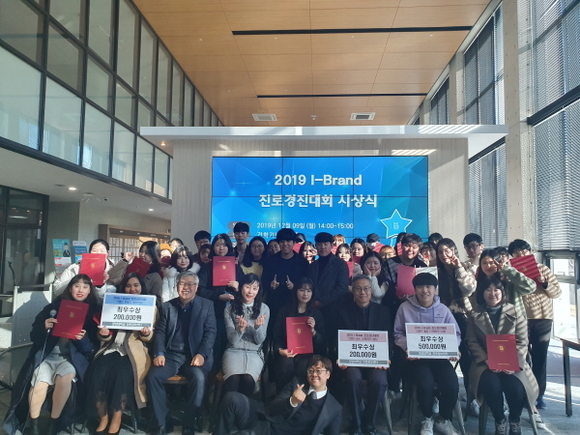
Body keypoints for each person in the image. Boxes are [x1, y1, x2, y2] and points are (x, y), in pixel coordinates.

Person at [4, 274, 99, 435]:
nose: (80, 290)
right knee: (38, 383)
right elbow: (34, 336)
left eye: (85, 287)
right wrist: (44, 327)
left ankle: (53, 424)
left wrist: (83, 340)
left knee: (65, 379)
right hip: (47, 356)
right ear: (70, 288)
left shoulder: (93, 314)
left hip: (69, 360)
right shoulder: (53, 307)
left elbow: (91, 350)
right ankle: (33, 424)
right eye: (77, 286)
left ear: (90, 290)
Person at [466, 276, 539, 435]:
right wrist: (486, 360)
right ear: (482, 292)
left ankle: (514, 420)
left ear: (502, 292)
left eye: (496, 289)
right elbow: (471, 341)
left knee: (516, 387)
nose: (492, 293)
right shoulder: (474, 314)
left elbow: (522, 341)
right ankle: (500, 420)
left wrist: (513, 362)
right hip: (485, 363)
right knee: (491, 386)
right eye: (488, 289)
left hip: (513, 362)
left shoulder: (515, 311)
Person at [146, 271, 216, 435]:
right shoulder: (167, 307)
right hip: (171, 355)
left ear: (196, 287)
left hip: (194, 355)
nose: (185, 287)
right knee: (152, 377)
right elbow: (160, 332)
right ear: (176, 286)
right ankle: (163, 422)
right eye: (182, 284)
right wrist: (159, 353)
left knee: (199, 379)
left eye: (190, 284)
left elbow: (210, 333)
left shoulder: (207, 305)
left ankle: (189, 424)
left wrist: (201, 354)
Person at [85, 273, 155, 435]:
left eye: (136, 285)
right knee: (97, 373)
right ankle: (103, 418)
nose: (132, 289)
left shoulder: (150, 306)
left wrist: (146, 333)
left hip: (132, 353)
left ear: (141, 287)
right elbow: (104, 334)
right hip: (111, 348)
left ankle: (116, 419)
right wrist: (103, 334)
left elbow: (151, 337)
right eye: (128, 286)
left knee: (122, 377)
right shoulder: (113, 304)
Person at [393, 273, 461, 435]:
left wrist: (453, 348)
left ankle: (443, 419)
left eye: (429, 287)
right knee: (425, 383)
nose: (425, 290)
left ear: (435, 290)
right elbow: (397, 333)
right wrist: (407, 347)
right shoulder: (404, 308)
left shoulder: (443, 309)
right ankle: (427, 418)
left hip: (439, 359)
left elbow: (455, 334)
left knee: (452, 384)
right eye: (420, 287)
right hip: (415, 359)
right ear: (415, 289)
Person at [215, 355, 342, 435]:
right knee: (232, 398)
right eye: (311, 371)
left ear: (328, 374)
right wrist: (292, 402)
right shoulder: (297, 383)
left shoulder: (334, 408)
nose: (314, 374)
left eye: (319, 371)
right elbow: (273, 407)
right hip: (267, 421)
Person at [333, 275, 392, 435]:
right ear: (352, 290)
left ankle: (369, 422)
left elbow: (389, 339)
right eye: (358, 289)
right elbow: (336, 338)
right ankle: (356, 422)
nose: (362, 292)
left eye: (366, 288)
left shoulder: (383, 311)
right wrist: (340, 357)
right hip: (352, 361)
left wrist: (386, 358)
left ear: (371, 290)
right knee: (352, 378)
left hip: (376, 360)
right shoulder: (342, 311)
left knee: (379, 381)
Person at [508, 239, 561, 411]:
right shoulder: (511, 271)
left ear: (530, 252)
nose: (521, 254)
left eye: (524, 251)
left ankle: (539, 395)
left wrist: (544, 282)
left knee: (540, 357)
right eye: (517, 253)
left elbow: (556, 292)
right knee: (522, 357)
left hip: (542, 318)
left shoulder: (543, 269)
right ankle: (524, 392)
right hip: (521, 319)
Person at [435, 238, 478, 414]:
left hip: (464, 318)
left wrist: (459, 267)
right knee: (439, 360)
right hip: (441, 320)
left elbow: (469, 289)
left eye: (448, 250)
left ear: (454, 251)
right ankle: (438, 397)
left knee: (468, 360)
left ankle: (472, 397)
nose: (444, 255)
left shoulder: (465, 268)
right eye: (440, 252)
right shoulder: (435, 271)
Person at [198, 234, 244, 366]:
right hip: (213, 312)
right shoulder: (207, 267)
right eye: (218, 245)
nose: (221, 248)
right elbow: (200, 290)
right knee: (215, 343)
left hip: (234, 313)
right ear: (213, 247)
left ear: (229, 247)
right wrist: (218, 296)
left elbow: (247, 290)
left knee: (230, 343)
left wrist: (238, 287)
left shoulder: (236, 268)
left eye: (224, 245)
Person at [273, 277, 326, 392]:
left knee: (304, 366)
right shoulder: (285, 310)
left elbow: (323, 342)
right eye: (301, 290)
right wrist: (280, 350)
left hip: (308, 354)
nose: (305, 294)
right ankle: (282, 397)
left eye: (309, 291)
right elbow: (277, 336)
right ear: (296, 291)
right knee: (285, 365)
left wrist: (313, 332)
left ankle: (302, 397)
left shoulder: (316, 314)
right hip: (288, 351)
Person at [223, 273, 270, 397]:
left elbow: (260, 340)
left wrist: (257, 328)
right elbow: (232, 340)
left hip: (254, 353)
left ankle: (244, 408)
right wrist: (240, 330)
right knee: (233, 379)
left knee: (248, 379)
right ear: (241, 287)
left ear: (259, 290)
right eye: (247, 287)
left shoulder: (264, 309)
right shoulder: (229, 309)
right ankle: (229, 408)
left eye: (255, 288)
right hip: (233, 351)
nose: (250, 292)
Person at [262, 228, 309, 326]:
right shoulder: (270, 261)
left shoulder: (302, 262)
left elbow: (306, 284)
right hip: (274, 303)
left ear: (294, 242)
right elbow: (264, 281)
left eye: (288, 241)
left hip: (294, 304)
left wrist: (295, 287)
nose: (285, 244)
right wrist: (271, 285)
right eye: (282, 241)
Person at [477, 249, 536, 319]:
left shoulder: (510, 281)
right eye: (484, 263)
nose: (488, 266)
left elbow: (531, 287)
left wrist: (507, 270)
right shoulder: (477, 282)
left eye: (492, 263)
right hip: (485, 320)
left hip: (513, 320)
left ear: (498, 263)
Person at [53, 239, 118, 299]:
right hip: (74, 305)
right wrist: (77, 277)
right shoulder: (74, 268)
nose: (98, 253)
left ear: (107, 253)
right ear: (89, 252)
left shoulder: (112, 271)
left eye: (102, 251)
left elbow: (106, 299)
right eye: (94, 250)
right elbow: (57, 291)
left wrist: (101, 285)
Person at [308, 232, 349, 310]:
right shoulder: (312, 266)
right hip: (314, 308)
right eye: (319, 244)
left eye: (326, 244)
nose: (323, 247)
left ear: (331, 245)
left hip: (334, 308)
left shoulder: (340, 264)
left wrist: (322, 302)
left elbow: (342, 288)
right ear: (316, 246)